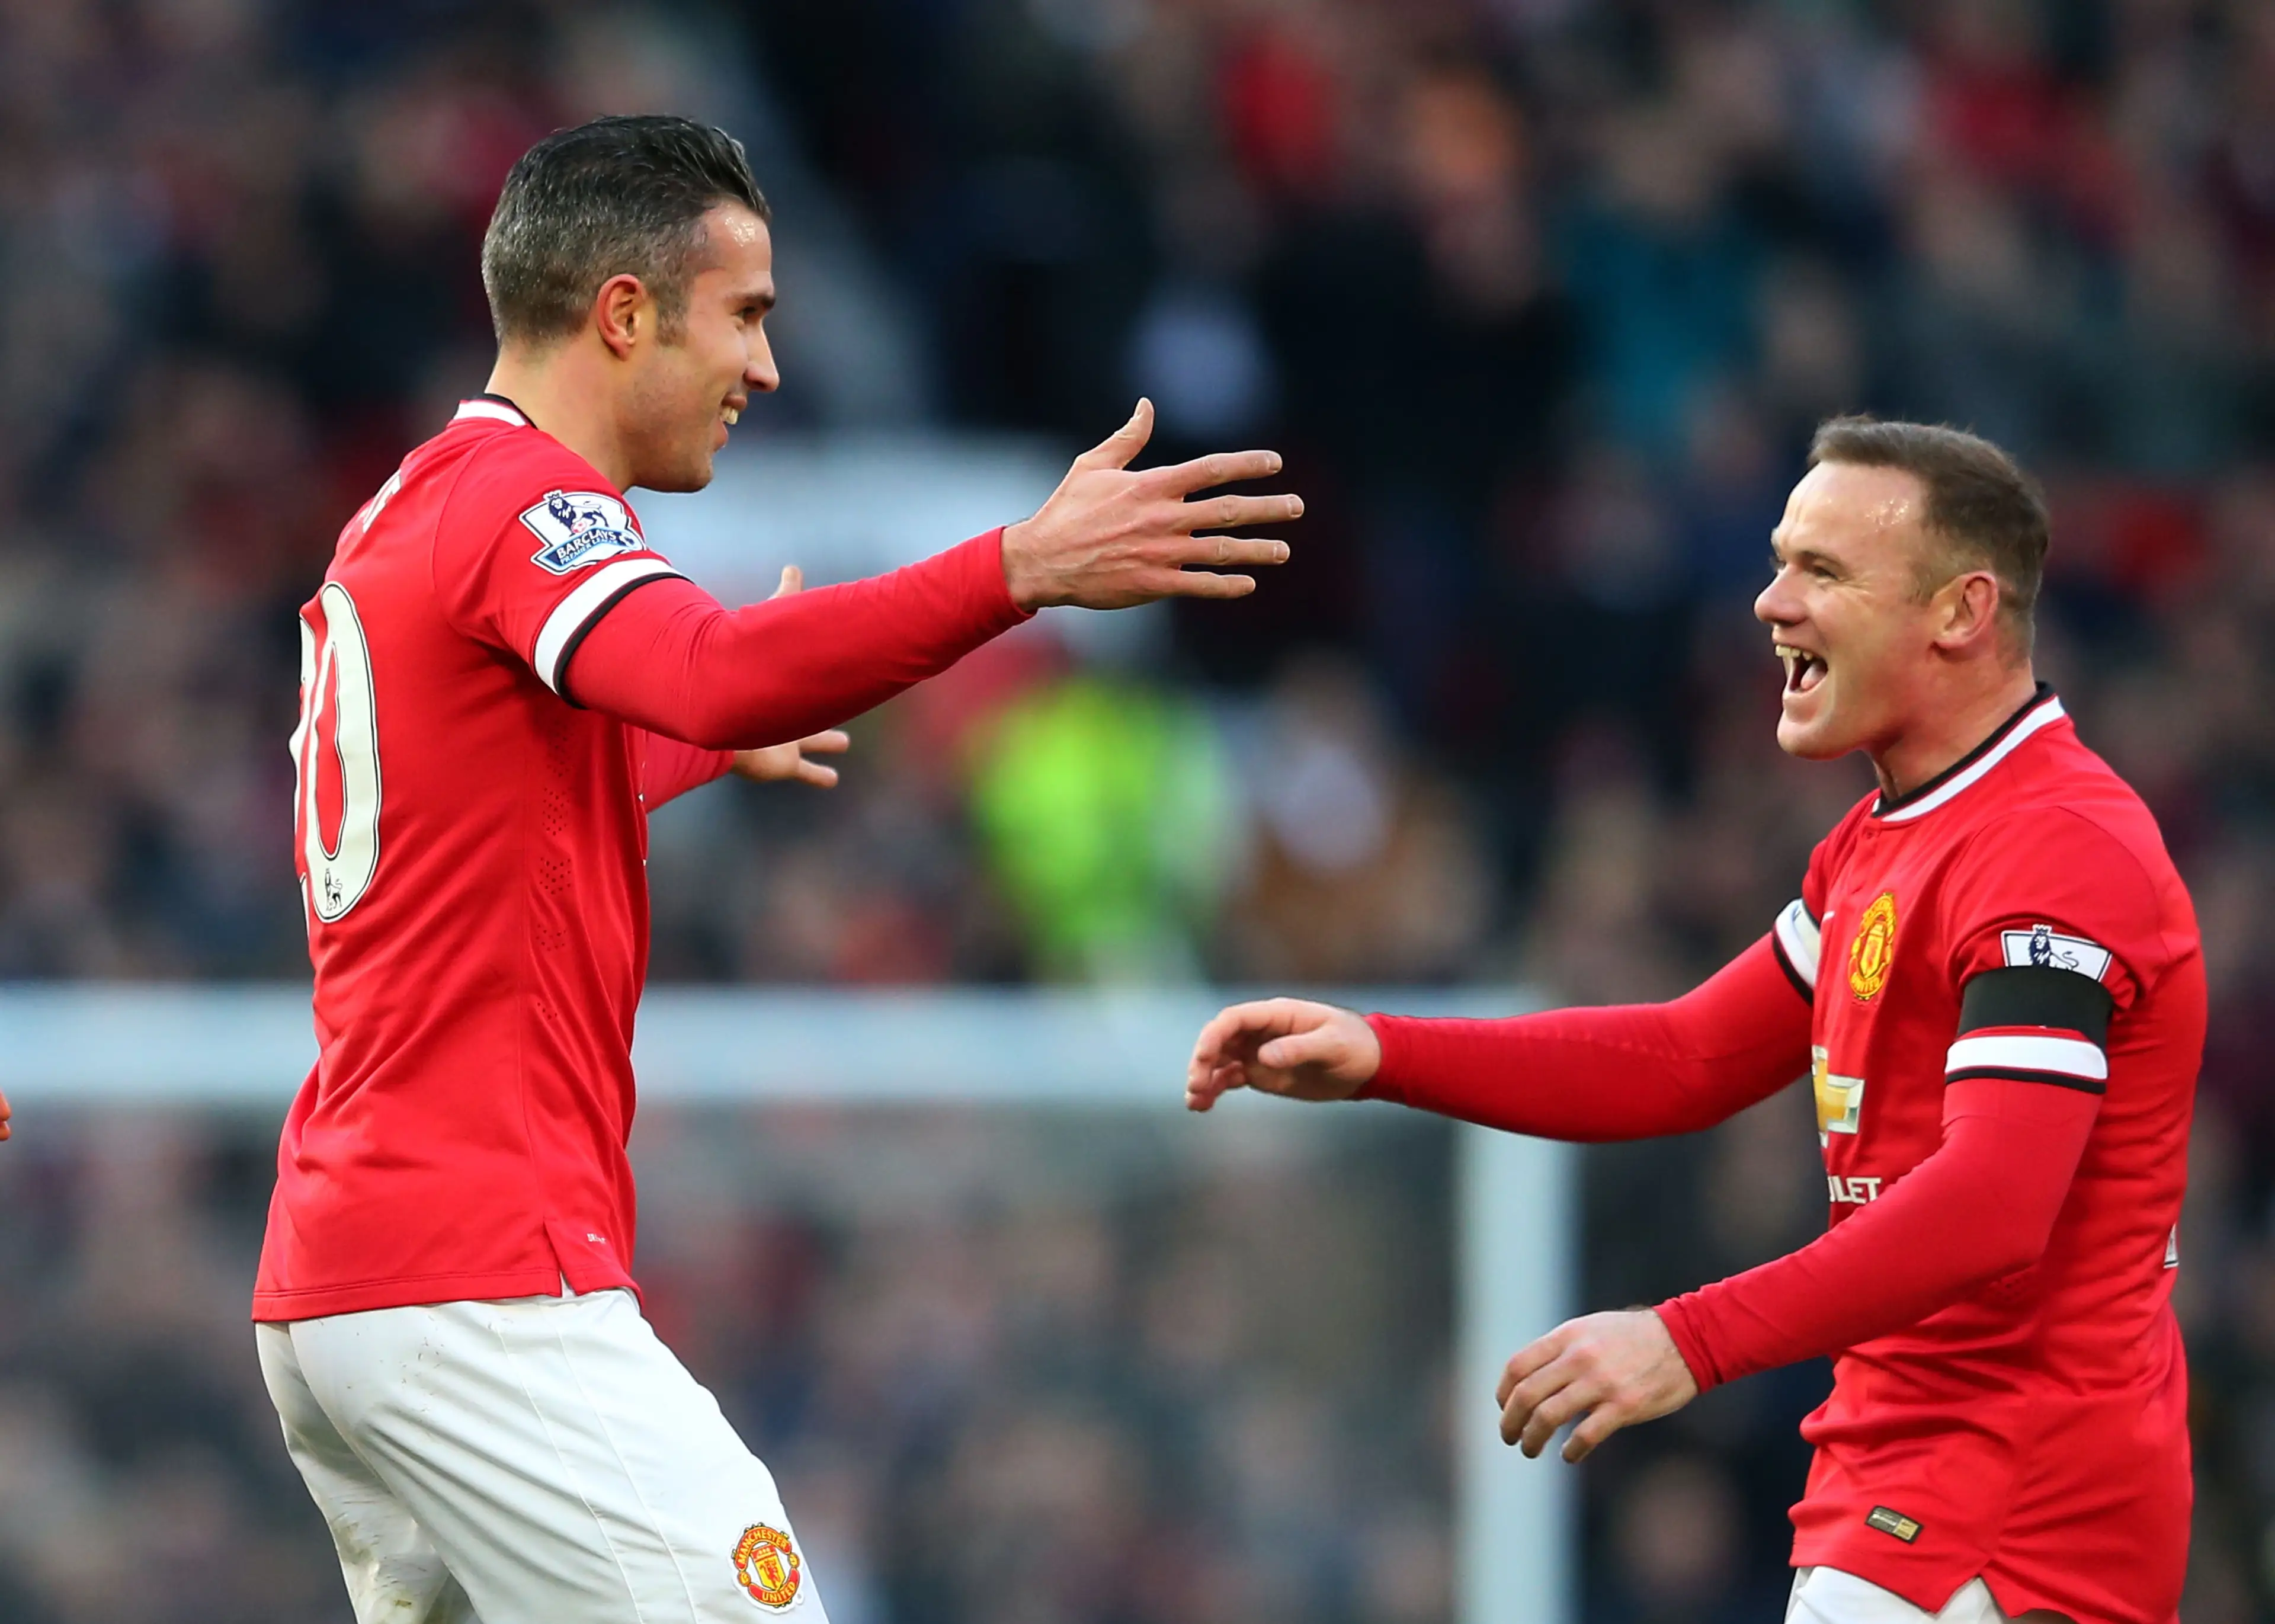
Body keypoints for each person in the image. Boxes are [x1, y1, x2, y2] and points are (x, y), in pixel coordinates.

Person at [258, 114, 1302, 1624]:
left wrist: (690, 751)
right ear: (626, 315)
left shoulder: (408, 507)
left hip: (349, 1280)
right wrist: (1016, 566)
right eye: (743, 315)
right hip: (477, 1276)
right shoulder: (520, 500)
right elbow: (715, 668)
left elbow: (476, 805)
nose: (767, 367)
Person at [1187, 419, 2199, 1624]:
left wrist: (1688, 1339)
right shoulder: (1884, 843)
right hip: (1910, 1495)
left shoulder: (2055, 848)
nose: (1773, 602)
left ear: (1961, 611)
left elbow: (1994, 1201)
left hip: (2004, 1518)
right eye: (1780, 561)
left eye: (1824, 569)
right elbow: (1688, 1055)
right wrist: (1384, 1054)